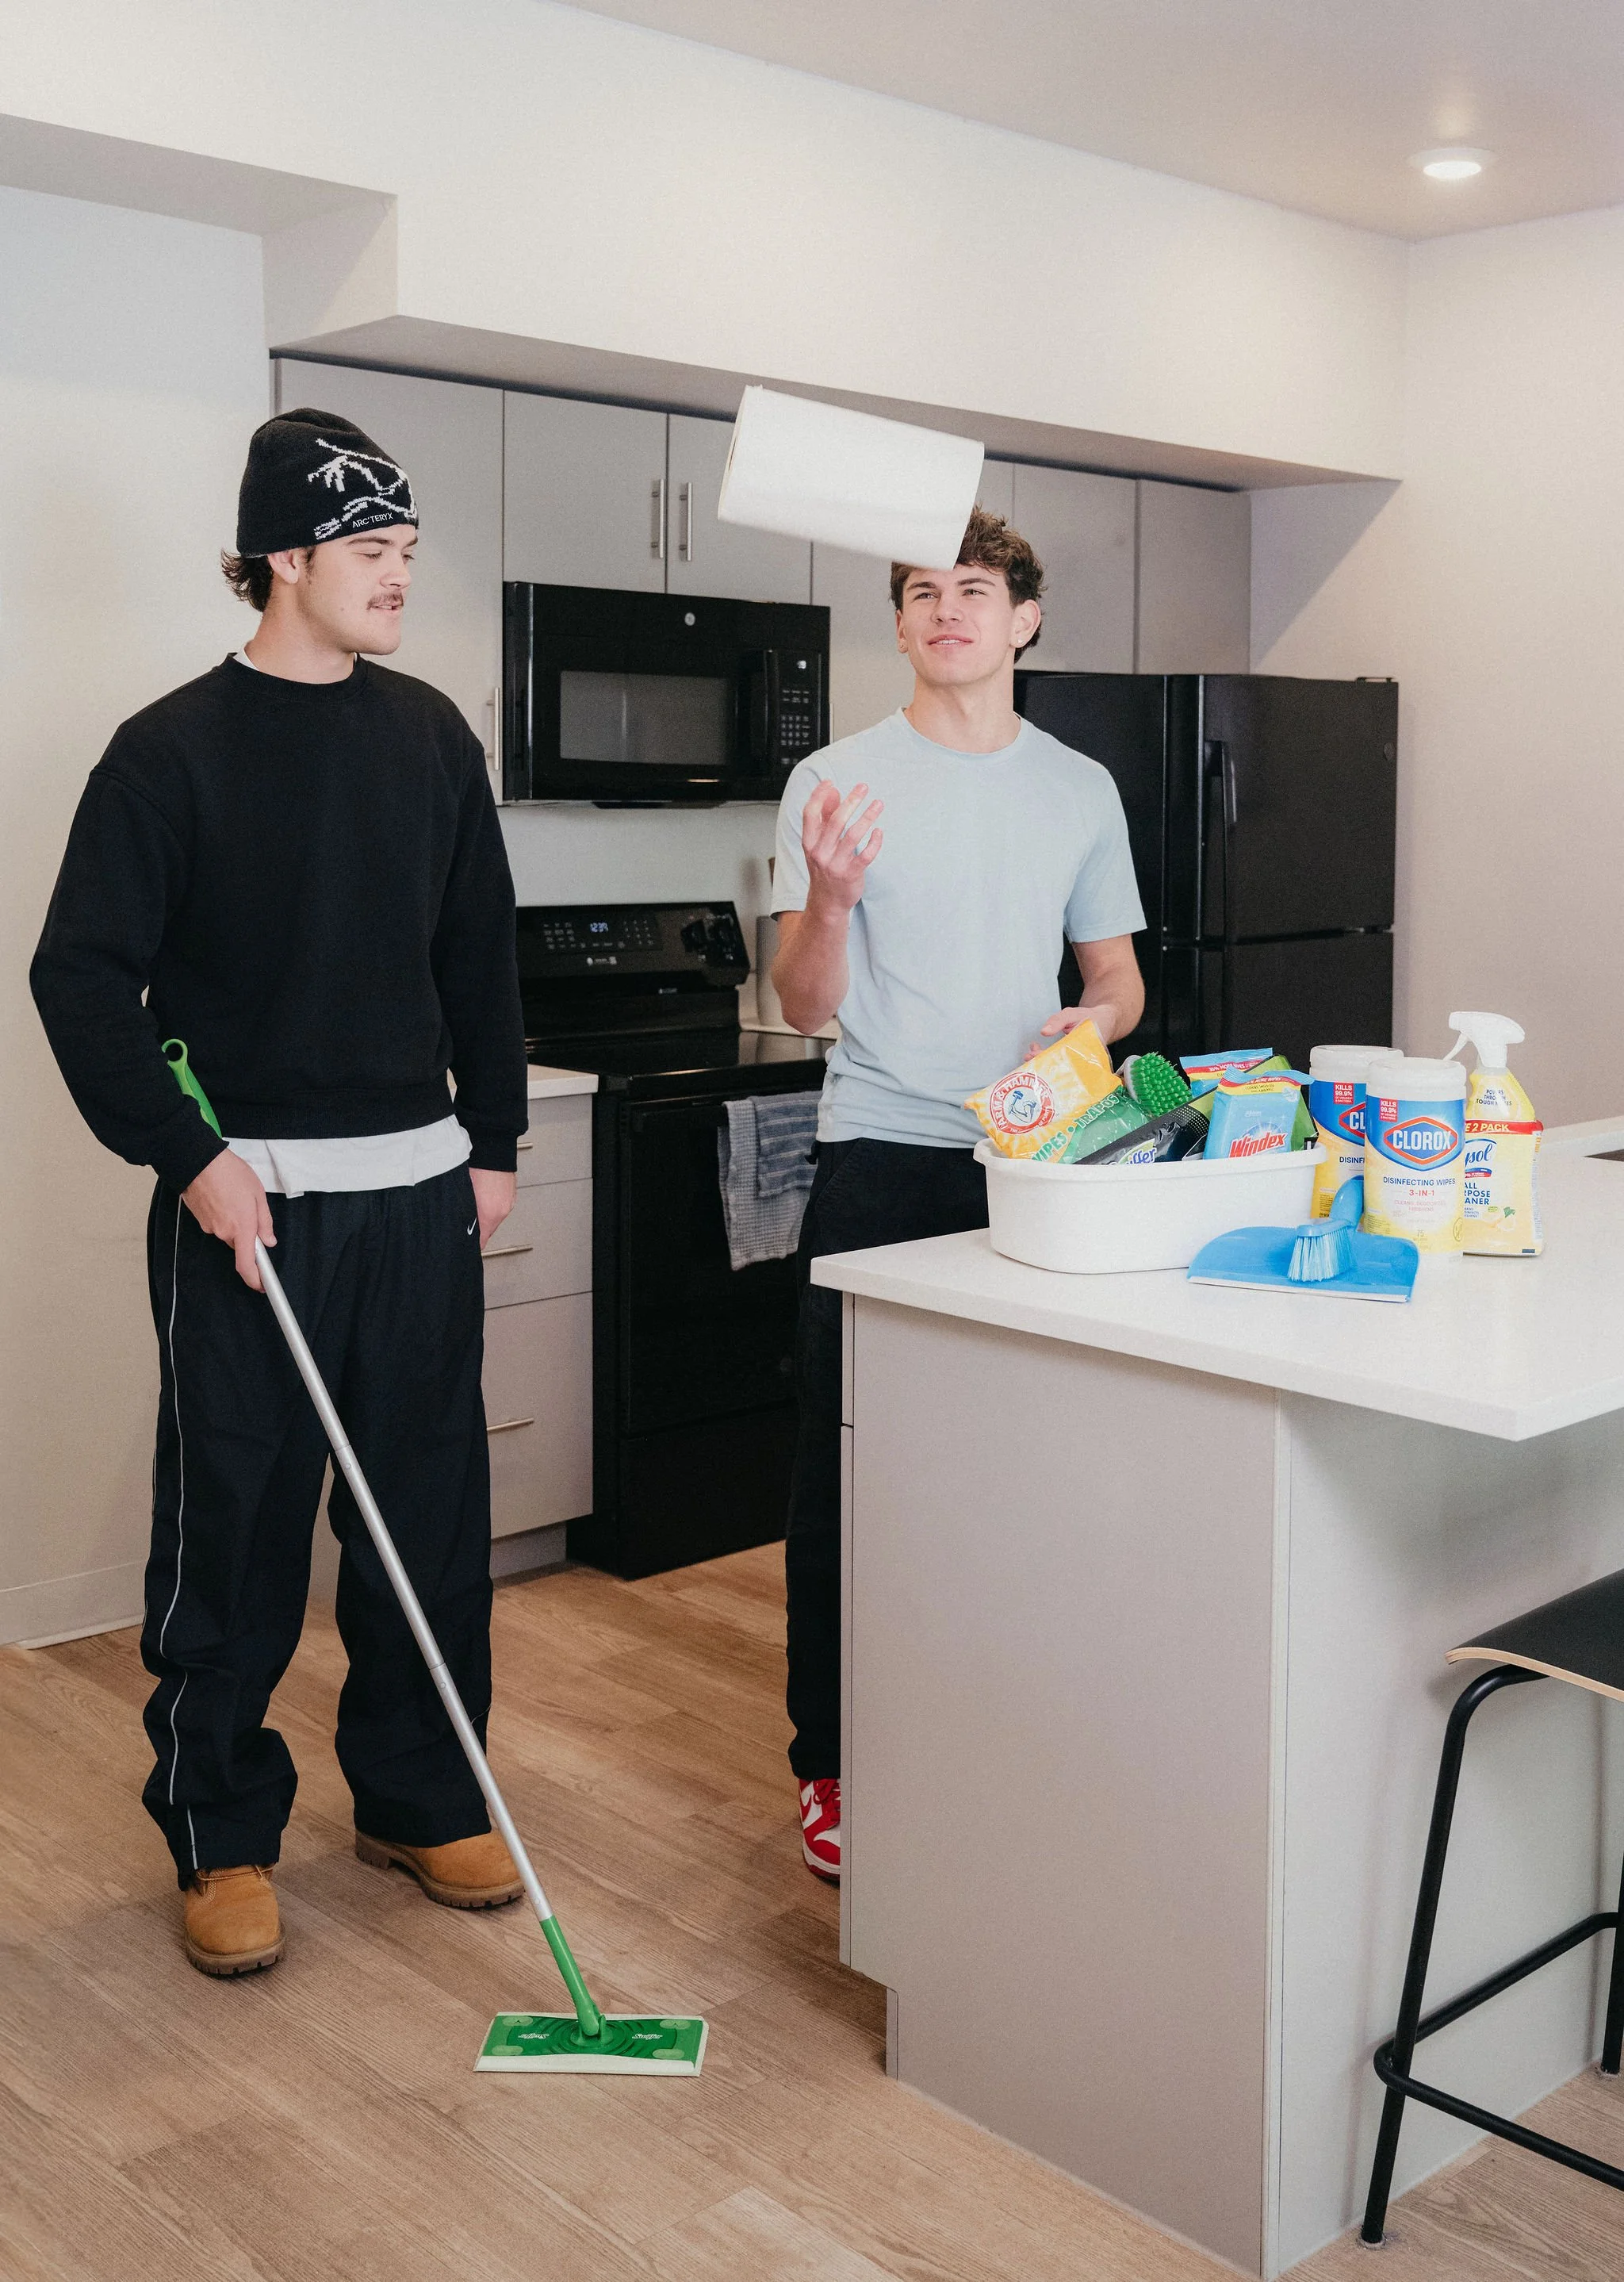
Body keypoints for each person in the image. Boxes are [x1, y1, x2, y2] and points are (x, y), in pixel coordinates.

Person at [30, 408, 530, 1975]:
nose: (399, 581)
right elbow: (79, 976)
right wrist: (190, 1159)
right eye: (374, 555)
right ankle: (220, 1825)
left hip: (417, 1197)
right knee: (235, 1524)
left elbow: (479, 962)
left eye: (406, 554)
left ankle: (421, 1791)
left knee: (425, 1518)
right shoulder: (168, 750)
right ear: (288, 558)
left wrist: (495, 1146)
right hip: (248, 1204)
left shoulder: (432, 738)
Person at [770, 508, 1147, 1880]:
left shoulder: (1079, 789)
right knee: (848, 1470)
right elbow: (804, 1008)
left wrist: (1089, 1026)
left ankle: (1003, 1727)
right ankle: (835, 1767)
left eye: (974, 590)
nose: (948, 612)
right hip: (880, 1157)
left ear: (1025, 618)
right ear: (901, 621)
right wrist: (827, 897)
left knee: (1024, 1465)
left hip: (1037, 1162)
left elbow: (1118, 979)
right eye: (922, 592)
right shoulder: (835, 780)